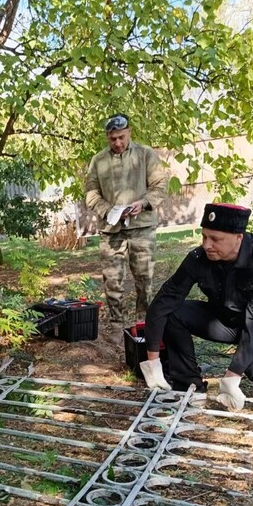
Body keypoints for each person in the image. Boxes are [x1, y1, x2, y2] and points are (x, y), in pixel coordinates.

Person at [139, 202, 253, 408]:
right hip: (227, 319)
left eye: (215, 239)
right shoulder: (199, 258)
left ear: (238, 238)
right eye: (204, 236)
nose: (206, 245)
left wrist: (232, 377)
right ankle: (188, 384)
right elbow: (164, 301)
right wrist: (153, 362)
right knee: (172, 312)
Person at [85, 114, 167, 341]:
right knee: (112, 280)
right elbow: (91, 194)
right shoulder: (98, 161)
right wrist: (107, 209)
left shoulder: (145, 154)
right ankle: (115, 324)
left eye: (121, 137)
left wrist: (142, 203)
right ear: (107, 137)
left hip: (142, 227)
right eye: (112, 139)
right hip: (111, 230)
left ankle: (143, 321)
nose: (118, 143)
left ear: (129, 132)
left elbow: (160, 185)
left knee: (144, 278)